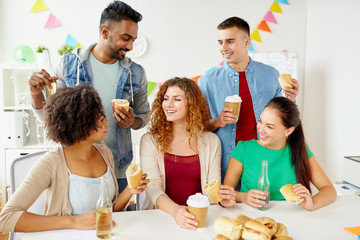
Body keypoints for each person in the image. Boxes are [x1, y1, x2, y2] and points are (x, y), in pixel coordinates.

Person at [28, 1, 150, 193]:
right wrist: (36, 95)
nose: (131, 46)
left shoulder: (136, 73)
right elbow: (50, 120)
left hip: (118, 168)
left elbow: (144, 116)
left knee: (118, 221)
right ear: (104, 32)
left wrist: (132, 121)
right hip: (73, 167)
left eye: (133, 40)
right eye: (126, 38)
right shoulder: (69, 66)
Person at [0, 85, 149, 233]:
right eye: (99, 119)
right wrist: (74, 221)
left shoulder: (104, 153)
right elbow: (6, 219)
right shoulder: (51, 162)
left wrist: (130, 190)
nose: (107, 122)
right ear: (78, 123)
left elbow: (108, 209)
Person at [198, 17, 300, 181]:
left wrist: (291, 99)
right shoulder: (207, 82)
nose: (224, 48)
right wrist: (218, 121)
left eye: (230, 41)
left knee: (262, 204)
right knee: (227, 203)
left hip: (264, 160)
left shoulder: (270, 75)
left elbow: (282, 120)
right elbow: (197, 128)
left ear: (247, 42)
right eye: (220, 42)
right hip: (224, 162)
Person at [140, 78, 236, 230]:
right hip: (161, 218)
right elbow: (152, 187)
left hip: (199, 219)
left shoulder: (211, 141)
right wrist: (176, 211)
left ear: (192, 105)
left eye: (177, 99)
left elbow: (212, 186)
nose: (168, 104)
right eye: (166, 99)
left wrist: (222, 199)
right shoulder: (149, 141)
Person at [224, 97, 336, 211]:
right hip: (253, 217)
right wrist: (243, 197)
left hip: (292, 217)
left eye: (269, 126)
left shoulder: (299, 150)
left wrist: (312, 203)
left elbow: (329, 189)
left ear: (288, 131)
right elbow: (224, 196)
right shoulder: (244, 149)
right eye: (260, 121)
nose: (261, 129)